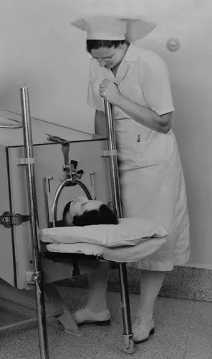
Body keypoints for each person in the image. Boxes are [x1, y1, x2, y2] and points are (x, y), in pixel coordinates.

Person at [71, 15, 190, 343]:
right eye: (97, 59)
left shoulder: (149, 64)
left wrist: (118, 97)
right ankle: (97, 306)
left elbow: (164, 122)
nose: (102, 64)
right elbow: (98, 113)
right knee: (105, 232)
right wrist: (98, 156)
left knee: (154, 237)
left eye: (108, 57)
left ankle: (144, 317)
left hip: (152, 165)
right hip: (115, 160)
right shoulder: (97, 65)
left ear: (124, 44)